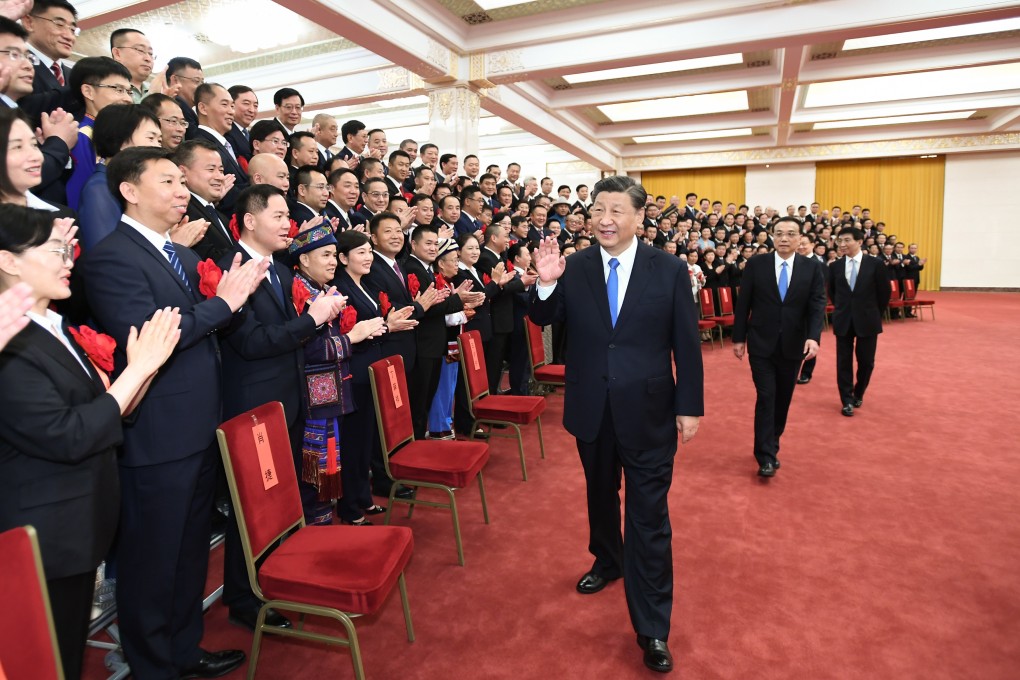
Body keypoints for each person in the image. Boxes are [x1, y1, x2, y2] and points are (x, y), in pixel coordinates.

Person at [81, 146, 266, 679]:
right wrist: (222, 306)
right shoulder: (111, 257)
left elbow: (211, 328)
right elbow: (155, 335)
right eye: (168, 180)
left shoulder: (182, 255)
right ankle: (152, 665)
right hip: (157, 434)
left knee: (187, 555)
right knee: (152, 561)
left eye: (182, 181)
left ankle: (185, 651)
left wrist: (234, 300)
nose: (182, 190)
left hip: (202, 425)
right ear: (130, 190)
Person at [530, 175, 703, 674]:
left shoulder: (669, 270)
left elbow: (686, 344)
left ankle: (652, 627)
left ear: (639, 218)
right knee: (600, 494)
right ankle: (607, 560)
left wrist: (689, 405)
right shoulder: (576, 266)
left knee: (649, 519)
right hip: (591, 407)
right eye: (597, 209)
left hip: (649, 411)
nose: (605, 219)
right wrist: (544, 281)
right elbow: (544, 318)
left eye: (616, 210)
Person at [0, 205, 181, 680]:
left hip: (77, 525)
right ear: (9, 261)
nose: (69, 260)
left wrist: (143, 369)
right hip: (41, 537)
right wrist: (138, 370)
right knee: (44, 662)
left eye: (69, 249)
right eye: (56, 250)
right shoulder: (11, 348)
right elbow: (70, 435)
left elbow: (102, 411)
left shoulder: (52, 328)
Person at [216, 185, 344, 630]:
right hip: (252, 405)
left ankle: (273, 578)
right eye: (278, 215)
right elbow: (249, 341)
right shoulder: (232, 268)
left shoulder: (277, 270)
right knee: (252, 506)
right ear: (250, 220)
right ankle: (245, 596)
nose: (287, 224)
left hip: (285, 401)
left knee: (279, 499)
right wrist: (312, 319)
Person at [291, 223, 385, 524]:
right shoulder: (299, 292)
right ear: (305, 259)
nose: (333, 261)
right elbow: (309, 349)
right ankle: (316, 524)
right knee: (315, 462)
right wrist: (351, 338)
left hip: (331, 388)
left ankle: (326, 516)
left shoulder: (319, 289)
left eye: (334, 254)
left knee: (330, 458)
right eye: (326, 255)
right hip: (315, 390)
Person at [731, 217, 826, 477]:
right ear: (772, 236)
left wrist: (813, 336)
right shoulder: (756, 264)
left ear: (800, 238)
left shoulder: (811, 268)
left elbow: (817, 304)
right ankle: (765, 455)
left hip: (794, 344)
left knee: (783, 399)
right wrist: (739, 338)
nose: (784, 238)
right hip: (761, 343)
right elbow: (744, 304)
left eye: (791, 234)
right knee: (767, 396)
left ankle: (772, 442)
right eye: (779, 233)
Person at [827, 226, 890, 417]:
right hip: (843, 319)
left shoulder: (875, 264)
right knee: (843, 362)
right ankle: (846, 400)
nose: (843, 244)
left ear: (860, 242)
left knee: (866, 362)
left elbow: (884, 293)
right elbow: (833, 292)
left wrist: (873, 313)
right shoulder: (835, 266)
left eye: (847, 240)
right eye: (840, 241)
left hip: (868, 320)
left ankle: (858, 392)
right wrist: (843, 309)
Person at [425, 238, 467, 439]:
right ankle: (438, 425)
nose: (457, 264)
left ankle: (446, 421)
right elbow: (448, 316)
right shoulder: (437, 282)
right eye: (454, 260)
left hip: (452, 342)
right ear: (441, 263)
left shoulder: (448, 282)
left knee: (450, 384)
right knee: (442, 386)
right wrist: (462, 308)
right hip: (443, 343)